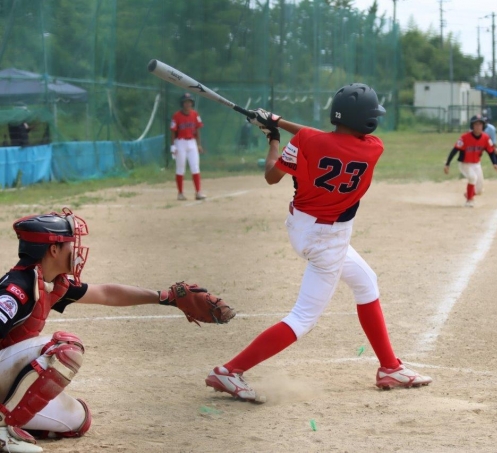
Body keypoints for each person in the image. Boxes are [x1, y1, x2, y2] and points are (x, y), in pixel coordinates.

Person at [205, 83, 432, 403]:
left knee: (366, 282)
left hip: (303, 229)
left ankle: (390, 368)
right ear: (365, 120)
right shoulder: (373, 148)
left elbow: (272, 174)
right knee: (302, 318)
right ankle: (229, 371)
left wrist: (274, 136)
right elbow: (323, 139)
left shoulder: (306, 142)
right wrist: (278, 122)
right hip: (328, 241)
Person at [0, 208, 232, 452]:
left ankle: (10, 417)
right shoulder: (16, 290)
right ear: (53, 250)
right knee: (65, 348)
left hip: (6, 377)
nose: (76, 250)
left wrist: (165, 297)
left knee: (78, 420)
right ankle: (4, 427)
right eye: (70, 243)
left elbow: (107, 293)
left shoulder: (49, 283)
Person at [444, 115, 497, 207]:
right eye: (476, 124)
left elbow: (490, 151)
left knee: (479, 191)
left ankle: (469, 194)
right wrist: (447, 164)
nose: (478, 126)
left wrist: (494, 163)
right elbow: (455, 150)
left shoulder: (486, 138)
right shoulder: (465, 137)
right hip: (464, 164)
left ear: (483, 126)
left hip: (476, 164)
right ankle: (469, 200)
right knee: (473, 177)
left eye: (480, 124)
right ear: (472, 126)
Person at [171, 93, 206, 201]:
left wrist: (199, 144)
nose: (188, 104)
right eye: (185, 102)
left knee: (195, 167)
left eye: (189, 102)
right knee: (180, 168)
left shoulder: (195, 114)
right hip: (180, 142)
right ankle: (180, 193)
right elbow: (173, 131)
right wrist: (173, 145)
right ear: (182, 104)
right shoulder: (176, 115)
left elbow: (197, 130)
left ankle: (198, 192)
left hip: (192, 142)